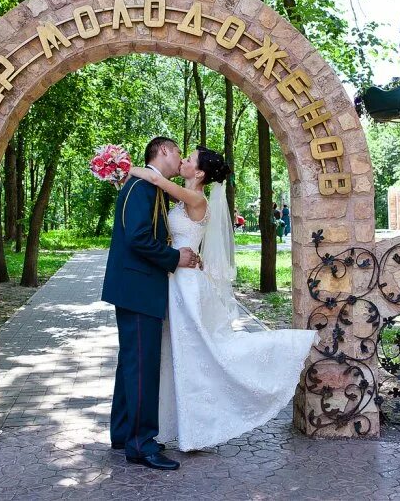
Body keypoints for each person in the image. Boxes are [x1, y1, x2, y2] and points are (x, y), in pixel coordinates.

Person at [130, 146, 316, 453]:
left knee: (201, 352)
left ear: (200, 173)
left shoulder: (196, 198)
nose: (183, 161)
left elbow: (160, 182)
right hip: (177, 278)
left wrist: (125, 169)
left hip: (186, 284)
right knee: (180, 353)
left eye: (189, 160)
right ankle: (174, 427)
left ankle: (288, 346)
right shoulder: (183, 197)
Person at [102, 137, 200, 471]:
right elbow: (139, 238)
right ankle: (141, 445)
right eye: (177, 153)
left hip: (136, 287)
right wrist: (176, 258)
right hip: (137, 287)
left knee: (131, 364)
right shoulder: (140, 188)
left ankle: (122, 433)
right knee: (142, 367)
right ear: (162, 152)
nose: (180, 159)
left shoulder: (151, 186)